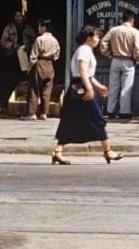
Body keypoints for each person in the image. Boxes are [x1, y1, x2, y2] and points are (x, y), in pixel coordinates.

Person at [51, 25, 123, 165]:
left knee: (70, 120)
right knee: (97, 119)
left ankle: (58, 152)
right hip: (81, 89)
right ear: (89, 37)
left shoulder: (86, 50)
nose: (98, 40)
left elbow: (88, 75)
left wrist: (98, 86)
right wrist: (90, 89)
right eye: (97, 37)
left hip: (79, 87)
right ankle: (107, 151)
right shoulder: (84, 50)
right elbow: (83, 71)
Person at [100, 11, 139, 120]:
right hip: (128, 60)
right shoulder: (135, 32)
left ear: (122, 19)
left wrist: (108, 55)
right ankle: (124, 112)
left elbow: (103, 42)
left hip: (115, 60)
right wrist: (136, 59)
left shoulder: (113, 30)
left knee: (113, 86)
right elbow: (137, 48)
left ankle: (110, 111)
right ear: (132, 20)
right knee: (126, 87)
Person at [0, 9, 30, 115]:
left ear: (24, 17)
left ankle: (22, 103)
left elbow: (34, 41)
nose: (18, 18)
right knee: (8, 80)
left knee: (23, 80)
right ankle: (5, 104)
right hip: (11, 57)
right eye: (17, 16)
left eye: (21, 16)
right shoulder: (9, 27)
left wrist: (28, 47)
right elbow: (3, 41)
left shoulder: (28, 28)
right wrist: (12, 45)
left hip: (24, 57)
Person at [26, 19, 60, 120]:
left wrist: (29, 67)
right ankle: (44, 113)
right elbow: (57, 56)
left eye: (39, 26)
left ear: (44, 27)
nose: (38, 28)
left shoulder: (39, 39)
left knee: (34, 88)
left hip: (39, 63)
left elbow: (33, 56)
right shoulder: (55, 40)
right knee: (47, 89)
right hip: (50, 65)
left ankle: (32, 113)